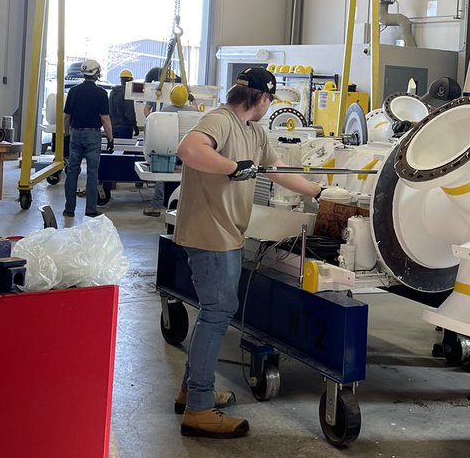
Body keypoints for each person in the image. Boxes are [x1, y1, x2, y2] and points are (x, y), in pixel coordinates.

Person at [173, 66, 323, 438]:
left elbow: (274, 169)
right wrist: (231, 168)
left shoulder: (255, 132)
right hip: (209, 234)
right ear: (259, 97)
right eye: (269, 98)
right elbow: (189, 150)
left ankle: (193, 390)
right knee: (217, 312)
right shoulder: (220, 121)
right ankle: (199, 409)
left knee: (216, 311)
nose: (269, 105)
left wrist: (317, 192)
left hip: (228, 234)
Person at [63, 57, 113, 219]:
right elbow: (105, 119)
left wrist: (66, 135)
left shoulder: (73, 91)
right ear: (96, 73)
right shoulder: (101, 93)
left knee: (72, 172)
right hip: (93, 135)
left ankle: (69, 209)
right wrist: (110, 139)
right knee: (92, 173)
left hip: (75, 134)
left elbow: (66, 117)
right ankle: (90, 209)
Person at [142, 65, 176, 217]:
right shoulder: (183, 98)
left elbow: (146, 112)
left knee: (162, 174)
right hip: (180, 143)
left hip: (163, 139)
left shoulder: (158, 93)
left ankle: (156, 205)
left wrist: (153, 126)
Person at [108, 69, 139, 141]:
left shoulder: (112, 92)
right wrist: (135, 127)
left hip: (113, 127)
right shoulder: (127, 93)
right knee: (125, 150)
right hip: (125, 128)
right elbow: (130, 112)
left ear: (121, 80)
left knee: (115, 150)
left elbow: (109, 110)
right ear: (130, 80)